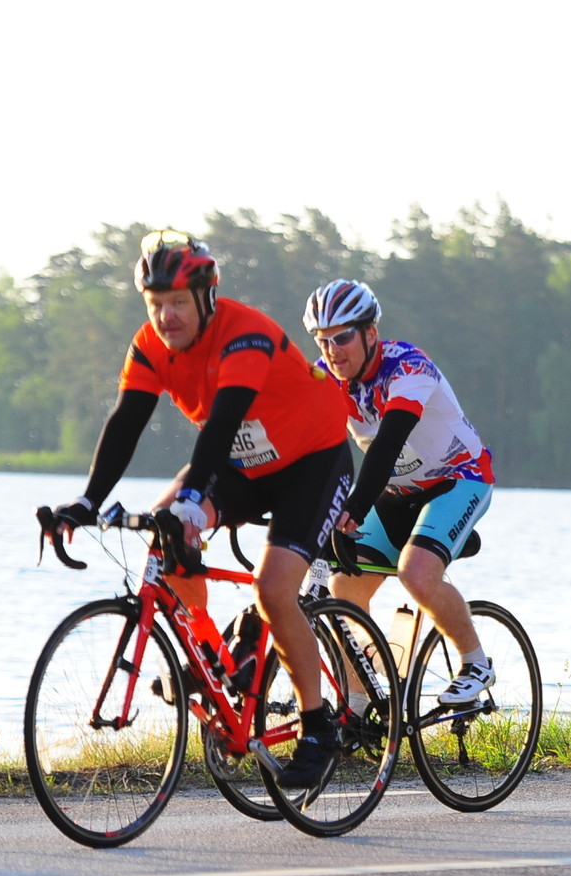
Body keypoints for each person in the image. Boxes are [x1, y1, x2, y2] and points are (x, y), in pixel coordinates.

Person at [45, 231, 354, 786]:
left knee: (273, 589)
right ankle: (215, 657)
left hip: (312, 462)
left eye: (178, 303)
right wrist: (87, 502)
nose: (166, 317)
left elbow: (223, 423)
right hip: (243, 466)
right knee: (163, 535)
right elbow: (126, 422)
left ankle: (317, 727)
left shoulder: (245, 333)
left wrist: (192, 501)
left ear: (207, 298)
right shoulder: (150, 345)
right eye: (155, 304)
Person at [304, 279, 498, 706]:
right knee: (343, 586)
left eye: (342, 338)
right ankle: (360, 703)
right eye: (322, 340)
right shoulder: (325, 376)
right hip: (396, 491)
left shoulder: (408, 368)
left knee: (416, 573)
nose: (332, 350)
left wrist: (353, 509)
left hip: (459, 479)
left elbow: (387, 445)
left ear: (370, 333)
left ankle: (476, 662)